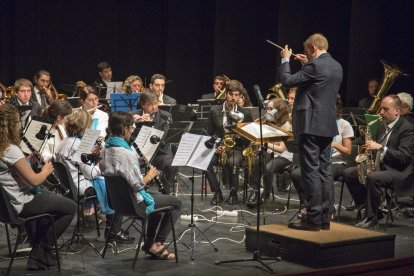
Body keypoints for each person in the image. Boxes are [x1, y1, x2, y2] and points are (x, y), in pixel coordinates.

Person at [0, 104, 76, 270]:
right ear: (11, 125)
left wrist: (29, 161)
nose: (20, 125)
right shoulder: (10, 149)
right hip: (21, 202)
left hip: (7, 205)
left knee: (51, 207)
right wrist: (46, 170)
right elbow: (34, 181)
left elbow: (15, 172)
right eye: (18, 122)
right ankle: (41, 251)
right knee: (70, 207)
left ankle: (42, 254)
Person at [279, 33, 343, 231]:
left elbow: (287, 81)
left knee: (311, 172)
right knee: (325, 171)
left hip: (310, 126)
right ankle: (324, 217)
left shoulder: (314, 66)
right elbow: (316, 85)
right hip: (327, 126)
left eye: (308, 51)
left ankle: (313, 218)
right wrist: (307, 63)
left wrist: (285, 59)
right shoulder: (336, 66)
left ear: (313, 48)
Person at [100, 111, 182, 260]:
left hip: (117, 203)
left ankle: (149, 243)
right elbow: (138, 185)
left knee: (158, 201)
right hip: (134, 204)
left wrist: (138, 163)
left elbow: (116, 172)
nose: (132, 131)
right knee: (176, 203)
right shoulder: (127, 153)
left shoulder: (105, 149)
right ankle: (158, 243)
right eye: (131, 127)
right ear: (125, 129)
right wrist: (150, 175)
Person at [343, 95, 414, 228]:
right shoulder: (381, 125)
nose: (381, 112)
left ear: (397, 111)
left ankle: (372, 218)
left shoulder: (408, 128)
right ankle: (369, 209)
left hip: (398, 170)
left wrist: (381, 148)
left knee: (373, 177)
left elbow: (404, 157)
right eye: (381, 109)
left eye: (385, 109)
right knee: (349, 173)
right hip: (381, 165)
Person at [290, 95, 354, 218]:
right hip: (317, 160)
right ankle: (308, 205)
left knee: (321, 173)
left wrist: (334, 144)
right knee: (297, 174)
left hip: (336, 163)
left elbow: (348, 151)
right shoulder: (317, 123)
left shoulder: (344, 124)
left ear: (336, 106)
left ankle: (329, 206)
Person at [207, 81, 252, 205]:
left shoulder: (246, 113)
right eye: (231, 94)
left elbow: (248, 138)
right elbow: (210, 132)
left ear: (240, 96)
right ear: (226, 94)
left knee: (232, 162)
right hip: (219, 146)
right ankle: (217, 192)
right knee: (205, 162)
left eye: (236, 95)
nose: (233, 97)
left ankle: (233, 193)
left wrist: (238, 135)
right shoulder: (214, 110)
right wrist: (216, 147)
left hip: (237, 148)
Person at [247, 98, 293, 208]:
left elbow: (281, 148)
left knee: (268, 167)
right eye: (267, 108)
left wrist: (264, 143)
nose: (267, 111)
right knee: (258, 160)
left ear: (279, 110)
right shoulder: (269, 121)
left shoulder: (286, 125)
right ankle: (256, 190)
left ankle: (265, 195)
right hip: (270, 152)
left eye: (271, 109)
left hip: (284, 156)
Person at [131, 92, 176, 194]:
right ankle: (137, 192)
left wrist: (149, 125)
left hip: (158, 152)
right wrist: (136, 125)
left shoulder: (166, 116)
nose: (154, 107)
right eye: (150, 104)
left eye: (155, 103)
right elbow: (127, 137)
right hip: (138, 153)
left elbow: (162, 139)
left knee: (170, 162)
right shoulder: (132, 115)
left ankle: (166, 192)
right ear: (143, 105)